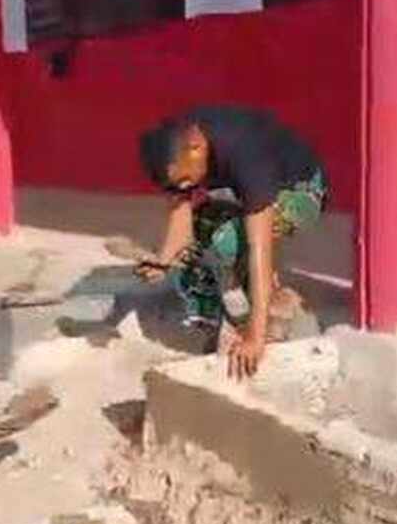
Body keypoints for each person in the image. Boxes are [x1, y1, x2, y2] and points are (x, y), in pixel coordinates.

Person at [134, 105, 327, 379]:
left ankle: (269, 321)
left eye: (186, 179)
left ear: (197, 147)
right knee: (195, 248)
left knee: (226, 243)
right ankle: (226, 322)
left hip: (299, 191)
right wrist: (164, 261)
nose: (185, 186)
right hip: (241, 194)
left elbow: (259, 248)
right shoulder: (176, 146)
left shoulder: (244, 152)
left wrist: (255, 337)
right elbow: (182, 217)